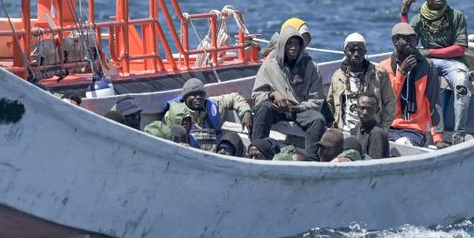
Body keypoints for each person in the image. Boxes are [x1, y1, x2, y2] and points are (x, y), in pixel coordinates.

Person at [400, 0, 473, 144]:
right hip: (429, 62)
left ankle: (459, 135)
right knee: (407, 77)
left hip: (453, 62)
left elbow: (460, 48)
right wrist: (404, 15)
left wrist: (430, 51)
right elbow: (406, 42)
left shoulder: (456, 16)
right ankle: (411, 125)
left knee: (462, 86)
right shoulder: (419, 19)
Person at [251, 25, 327, 153]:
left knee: (318, 120)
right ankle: (257, 150)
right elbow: (257, 95)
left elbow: (317, 101)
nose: (293, 47)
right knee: (263, 108)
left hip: (300, 110)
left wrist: (298, 107)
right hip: (277, 109)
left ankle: (311, 159)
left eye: (296, 43)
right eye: (289, 43)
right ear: (282, 45)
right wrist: (273, 95)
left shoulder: (311, 67)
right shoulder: (268, 67)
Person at [380, 23, 448, 149]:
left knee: (404, 145)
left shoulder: (427, 66)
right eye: (406, 39)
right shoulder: (384, 67)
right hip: (387, 126)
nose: (411, 43)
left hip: (414, 130)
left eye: (413, 39)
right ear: (395, 41)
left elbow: (433, 102)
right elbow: (387, 100)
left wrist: (437, 138)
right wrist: (402, 73)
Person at [326, 33, 396, 134]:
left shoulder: (379, 74)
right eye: (352, 50)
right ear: (345, 52)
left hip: (370, 130)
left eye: (360, 50)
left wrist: (382, 128)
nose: (356, 54)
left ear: (365, 52)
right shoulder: (337, 76)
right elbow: (330, 103)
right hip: (343, 130)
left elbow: (390, 102)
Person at [165, 78, 253, 150]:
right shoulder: (173, 115)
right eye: (194, 94)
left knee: (233, 138)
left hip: (216, 155)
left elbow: (235, 97)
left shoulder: (212, 105)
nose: (198, 97)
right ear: (185, 98)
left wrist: (246, 112)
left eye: (201, 94)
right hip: (189, 156)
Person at [352, 95, 390, 159]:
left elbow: (374, 165)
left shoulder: (377, 133)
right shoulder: (358, 126)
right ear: (356, 108)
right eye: (362, 108)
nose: (365, 112)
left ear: (377, 110)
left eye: (369, 109)